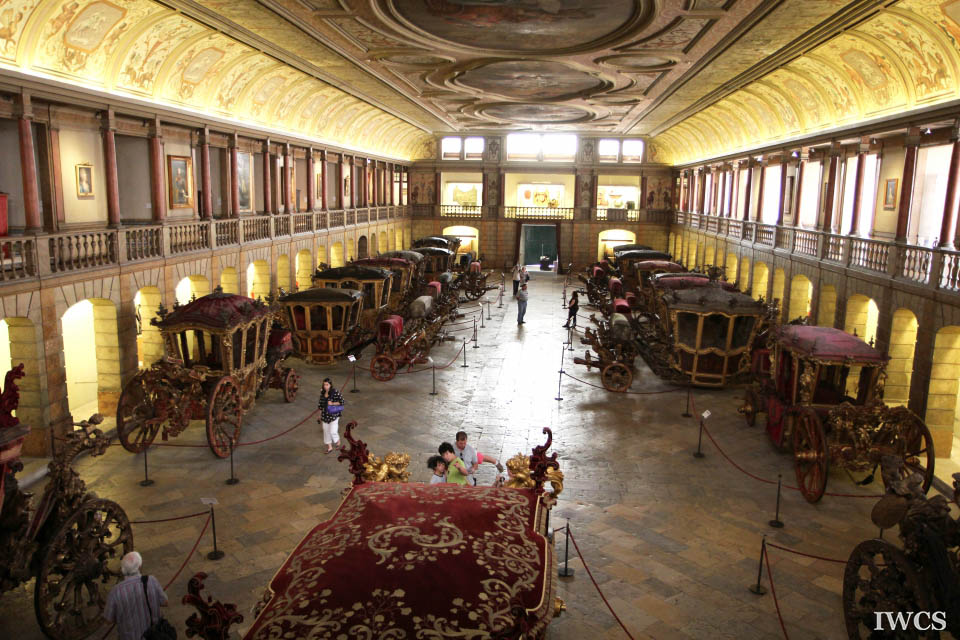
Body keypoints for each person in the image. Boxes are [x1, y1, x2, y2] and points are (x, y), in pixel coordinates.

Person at [103, 551, 168, 640]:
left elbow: (108, 620)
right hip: (154, 635)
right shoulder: (151, 581)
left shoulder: (115, 592)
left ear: (122, 570)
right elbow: (165, 602)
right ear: (140, 566)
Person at [318, 377, 344, 453]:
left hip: (334, 415)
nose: (325, 386)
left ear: (330, 385)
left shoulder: (335, 392)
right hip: (325, 416)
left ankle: (337, 441)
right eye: (324, 385)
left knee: (333, 431)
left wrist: (332, 403)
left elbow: (342, 402)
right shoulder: (322, 393)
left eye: (327, 385)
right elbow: (320, 406)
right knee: (326, 431)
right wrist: (319, 416)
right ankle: (329, 447)